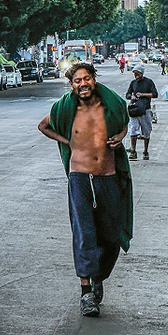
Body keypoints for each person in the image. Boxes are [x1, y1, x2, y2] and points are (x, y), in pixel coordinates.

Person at [38, 61, 132, 318]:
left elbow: (124, 121)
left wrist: (121, 136)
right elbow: (43, 126)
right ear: (72, 85)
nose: (83, 84)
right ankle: (86, 292)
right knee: (84, 232)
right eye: (77, 81)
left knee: (111, 235)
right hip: (79, 177)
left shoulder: (110, 105)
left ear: (94, 79)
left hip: (108, 176)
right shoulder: (65, 108)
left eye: (86, 79)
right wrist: (67, 141)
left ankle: (99, 276)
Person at [126, 64, 158, 161]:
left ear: (141, 73)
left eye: (137, 74)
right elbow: (127, 94)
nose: (136, 76)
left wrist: (143, 95)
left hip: (145, 110)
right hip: (135, 109)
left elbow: (155, 94)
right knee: (133, 130)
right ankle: (133, 151)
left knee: (146, 131)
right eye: (135, 74)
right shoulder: (133, 83)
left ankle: (145, 151)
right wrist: (131, 97)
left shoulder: (148, 82)